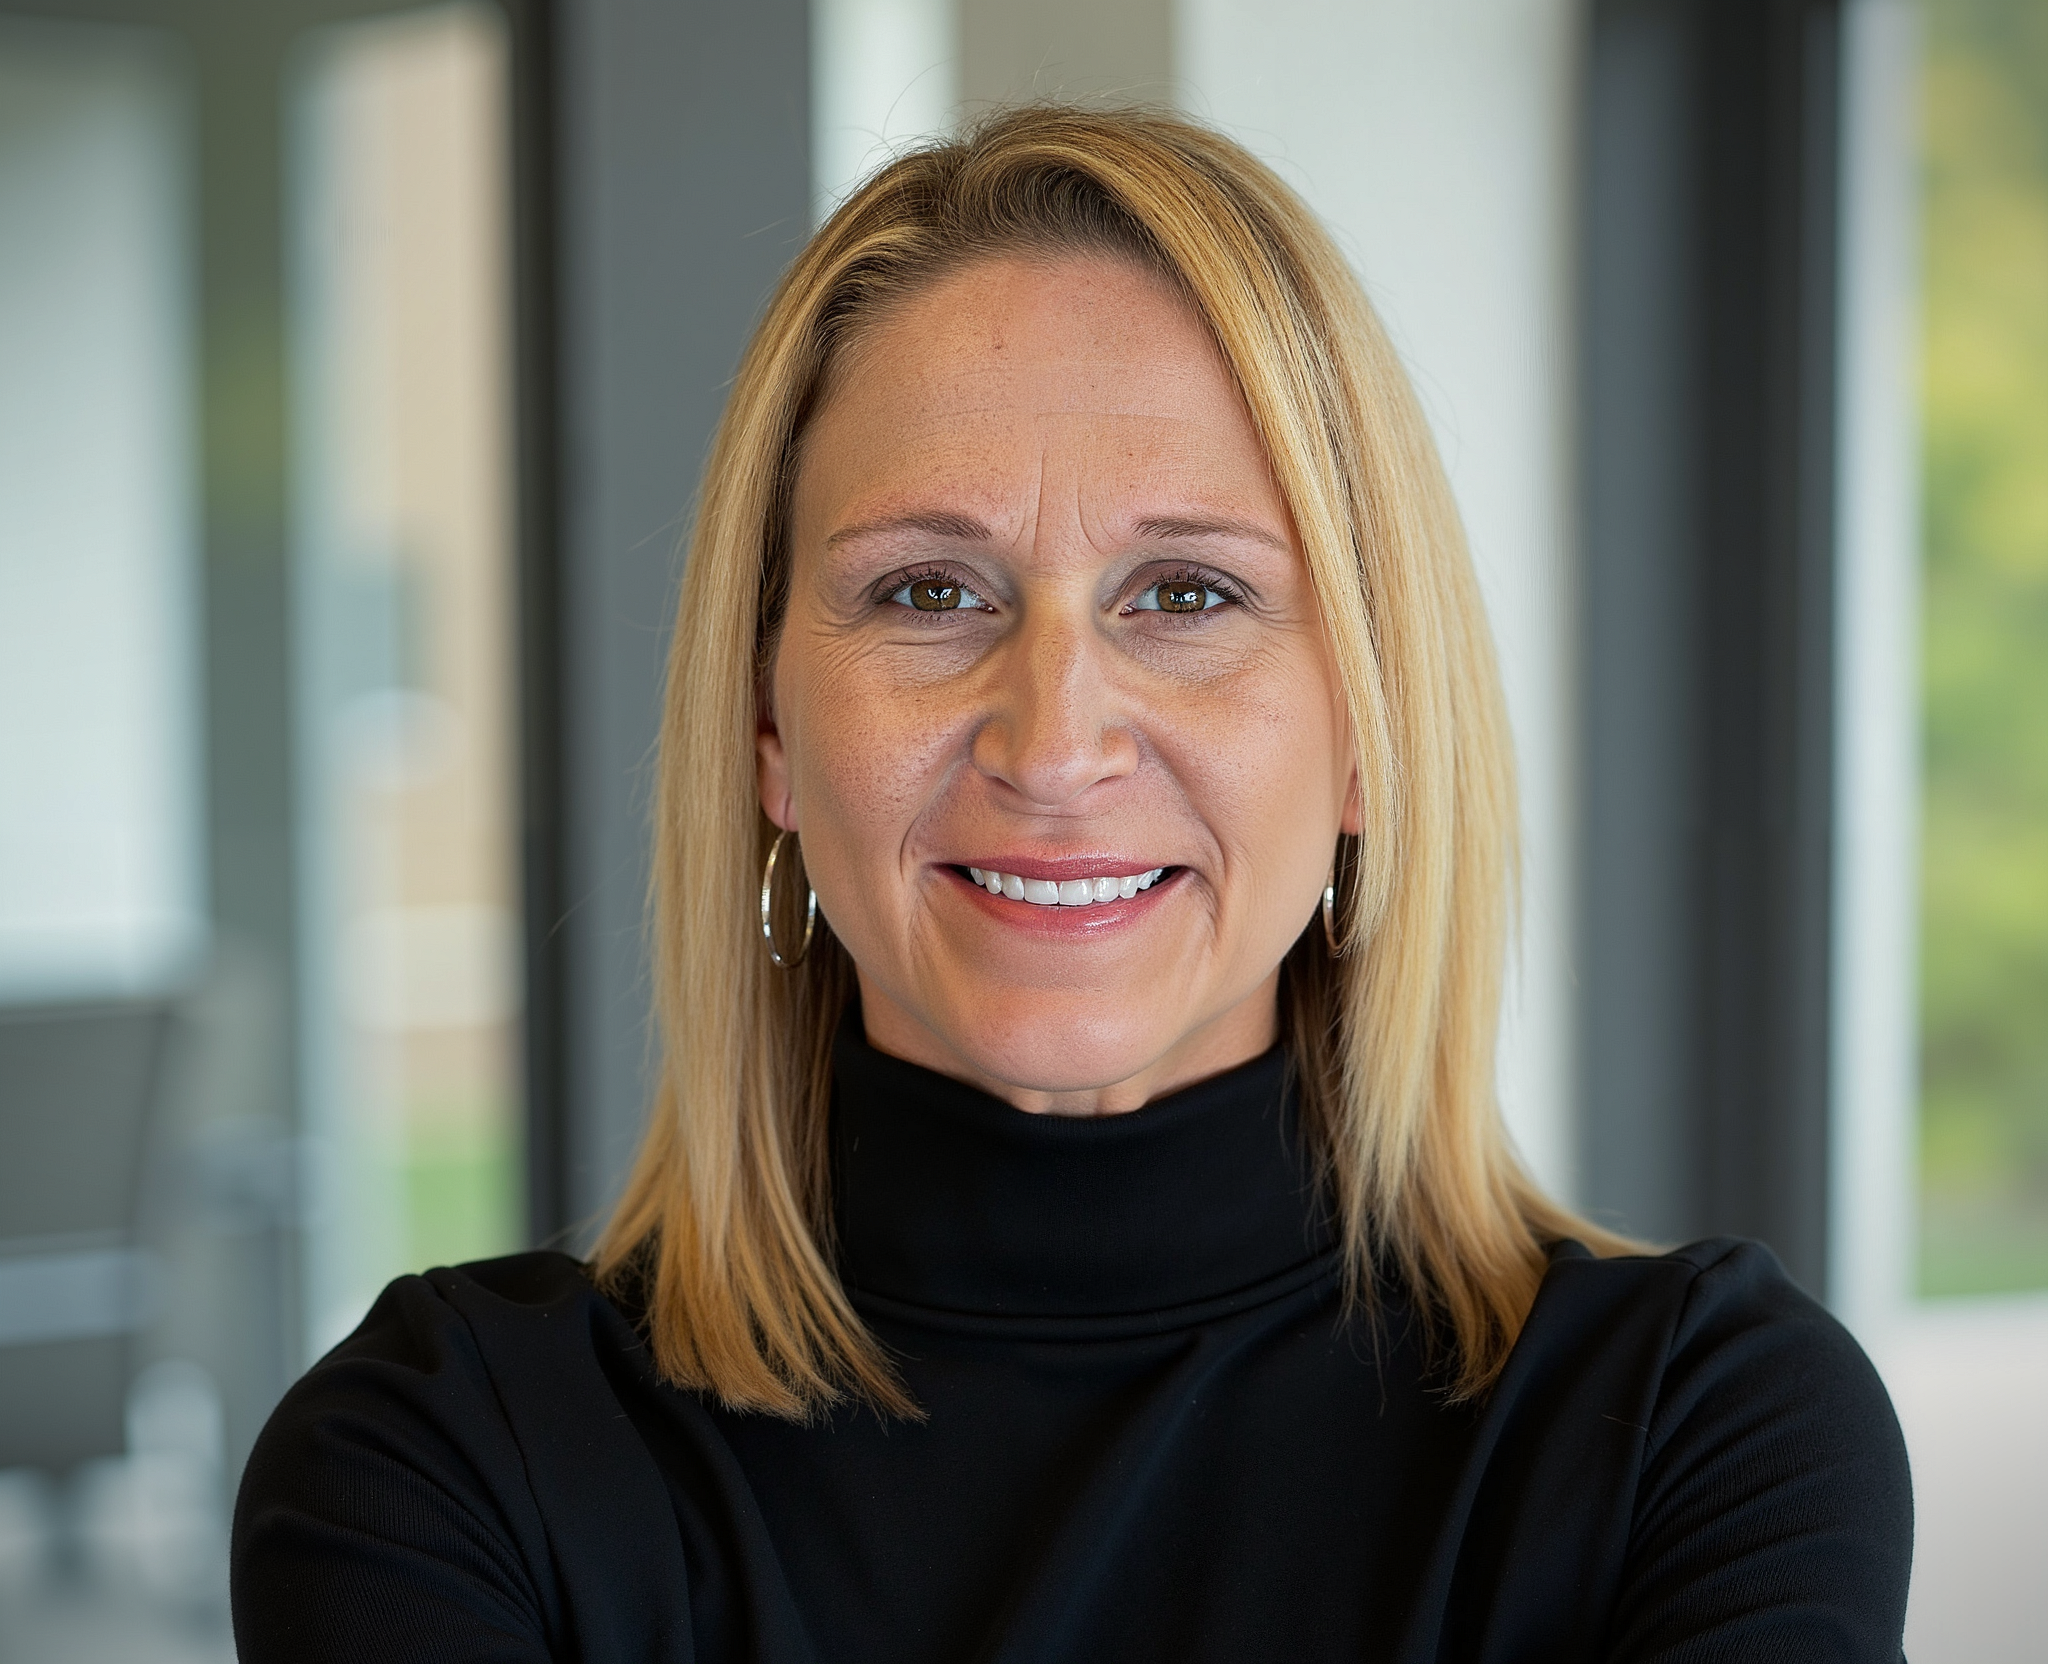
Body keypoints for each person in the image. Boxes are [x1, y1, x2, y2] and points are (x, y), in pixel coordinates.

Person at [231, 106, 1912, 1662]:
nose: (1053, 741)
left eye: (1184, 595)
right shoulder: (439, 1471)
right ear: (765, 732)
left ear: (1366, 735)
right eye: (926, 592)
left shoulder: (1703, 1433)